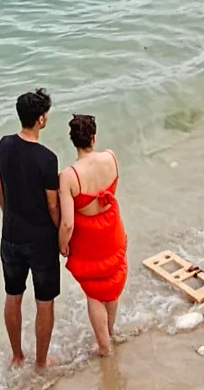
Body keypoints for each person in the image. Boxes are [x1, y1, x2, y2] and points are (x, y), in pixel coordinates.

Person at [0, 88, 61, 369]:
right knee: (44, 302)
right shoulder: (47, 159)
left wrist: (8, 216)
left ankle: (17, 355)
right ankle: (42, 361)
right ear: (41, 119)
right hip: (41, 240)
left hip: (10, 234)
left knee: (13, 295)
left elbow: (0, 189)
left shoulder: (3, 145)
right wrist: (61, 234)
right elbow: (53, 206)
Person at [58, 114, 126, 357]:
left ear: (73, 141)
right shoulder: (111, 157)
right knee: (112, 281)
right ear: (94, 138)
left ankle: (104, 347)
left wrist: (62, 246)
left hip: (88, 237)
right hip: (111, 228)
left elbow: (67, 223)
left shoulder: (69, 176)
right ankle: (110, 333)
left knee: (94, 293)